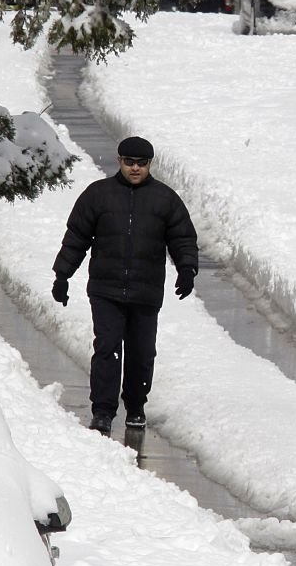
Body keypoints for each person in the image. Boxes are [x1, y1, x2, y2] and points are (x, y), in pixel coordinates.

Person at [51, 136, 199, 435]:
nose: (135, 168)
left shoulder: (165, 199)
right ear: (119, 160)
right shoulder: (98, 195)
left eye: (141, 163)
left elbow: (183, 238)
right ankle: (103, 411)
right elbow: (76, 237)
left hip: (146, 291)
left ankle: (135, 406)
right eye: (129, 162)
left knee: (141, 352)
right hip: (106, 289)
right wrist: (62, 275)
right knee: (107, 348)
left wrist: (187, 269)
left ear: (149, 164)